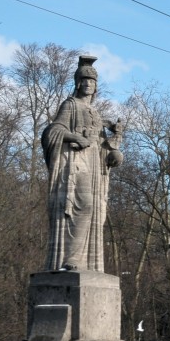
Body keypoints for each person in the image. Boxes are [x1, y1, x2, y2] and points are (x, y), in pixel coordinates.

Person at [41, 55, 123, 272]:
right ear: (78, 83)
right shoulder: (70, 105)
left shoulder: (95, 112)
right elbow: (53, 131)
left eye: (92, 82)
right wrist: (74, 137)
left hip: (94, 164)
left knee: (93, 209)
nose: (89, 84)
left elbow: (102, 146)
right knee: (82, 206)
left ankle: (85, 262)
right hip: (75, 161)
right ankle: (72, 259)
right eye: (85, 80)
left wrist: (113, 148)